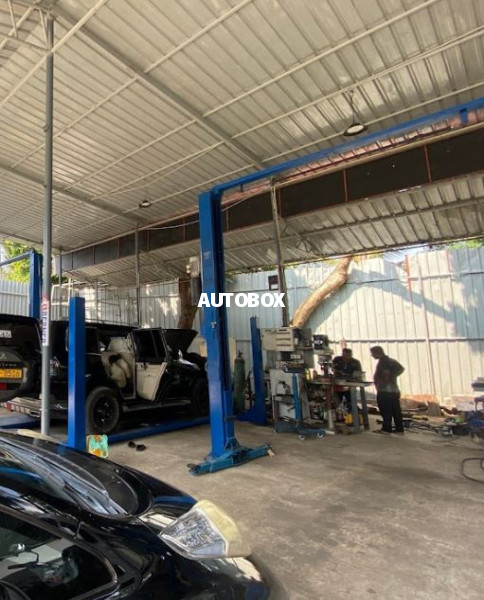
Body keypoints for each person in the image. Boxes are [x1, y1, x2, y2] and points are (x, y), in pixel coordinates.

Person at [370, 346, 405, 435]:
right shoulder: (391, 360)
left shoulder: (383, 362)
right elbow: (401, 369)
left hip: (385, 391)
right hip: (394, 390)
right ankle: (399, 429)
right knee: (396, 410)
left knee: (386, 410)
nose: (372, 355)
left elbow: (386, 373)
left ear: (377, 353)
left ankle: (386, 429)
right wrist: (393, 376)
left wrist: (384, 381)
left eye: (373, 353)